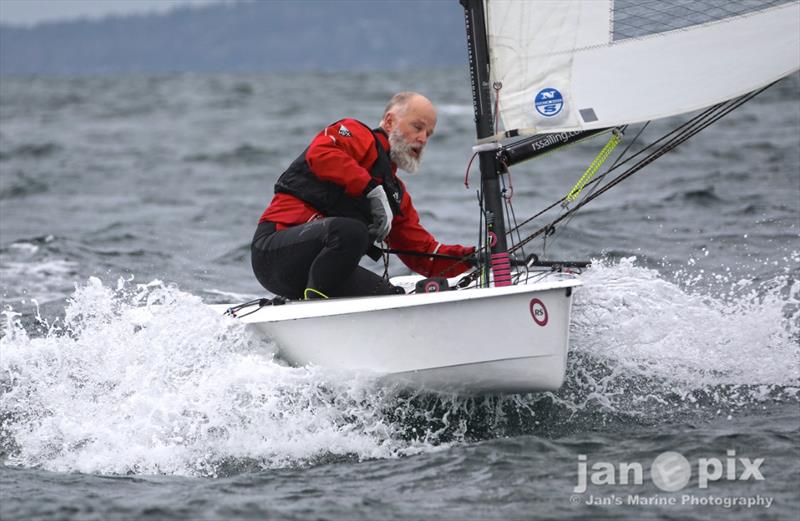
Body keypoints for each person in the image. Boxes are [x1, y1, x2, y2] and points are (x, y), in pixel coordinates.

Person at [251, 91, 475, 300]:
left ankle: (320, 310)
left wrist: (475, 259)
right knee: (350, 231)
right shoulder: (356, 134)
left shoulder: (395, 195)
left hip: (321, 271)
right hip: (275, 255)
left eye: (429, 134)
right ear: (389, 122)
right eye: (417, 127)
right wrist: (370, 190)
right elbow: (321, 154)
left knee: (392, 299)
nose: (423, 138)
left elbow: (424, 253)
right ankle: (316, 308)